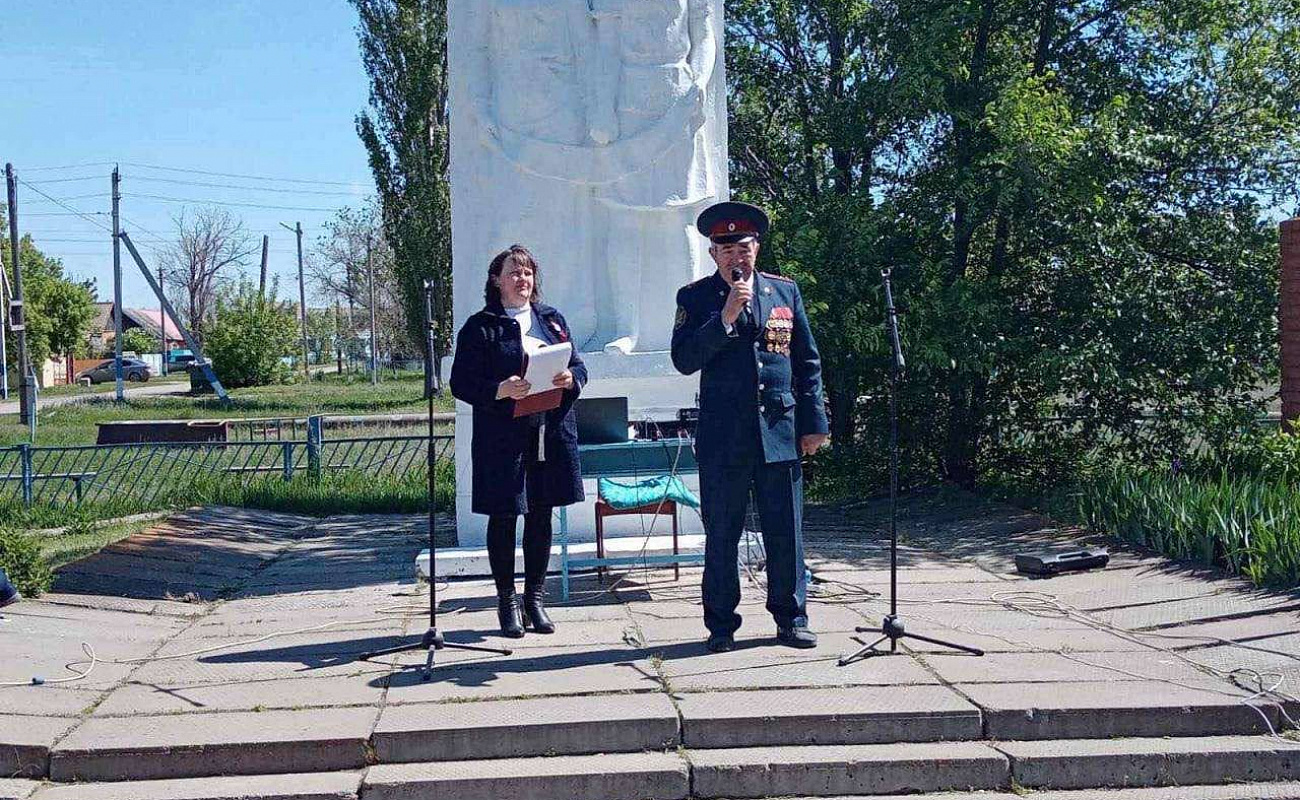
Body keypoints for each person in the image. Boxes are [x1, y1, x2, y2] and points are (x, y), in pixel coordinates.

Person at [670, 201, 830, 652]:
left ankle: (791, 617)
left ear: (756, 248)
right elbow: (683, 360)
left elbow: (807, 360)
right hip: (724, 437)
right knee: (723, 533)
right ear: (713, 254)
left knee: (786, 531)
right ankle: (721, 625)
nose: (736, 258)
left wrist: (814, 421)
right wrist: (722, 318)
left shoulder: (784, 292)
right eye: (726, 249)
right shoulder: (695, 298)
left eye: (744, 248)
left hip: (779, 431)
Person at [450, 245, 587, 638]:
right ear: (497, 280)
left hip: (549, 430)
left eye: (527, 273)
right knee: (506, 515)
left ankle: (535, 600)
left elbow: (577, 365)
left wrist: (571, 379)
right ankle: (506, 602)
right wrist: (500, 389)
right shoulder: (481, 327)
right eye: (514, 272)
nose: (522, 279)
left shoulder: (551, 319)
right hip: (503, 438)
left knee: (541, 514)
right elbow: (461, 382)